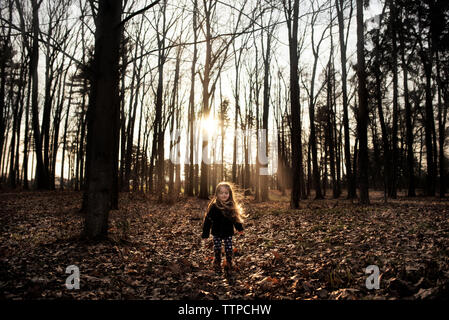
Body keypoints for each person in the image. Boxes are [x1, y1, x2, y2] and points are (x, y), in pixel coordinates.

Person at [201, 182, 246, 274]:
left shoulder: (231, 206)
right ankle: (217, 261)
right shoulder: (214, 207)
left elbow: (235, 220)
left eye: (226, 193)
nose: (224, 195)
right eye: (221, 193)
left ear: (230, 194)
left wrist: (240, 229)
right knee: (217, 247)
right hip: (216, 232)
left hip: (228, 232)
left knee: (228, 247)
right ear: (217, 194)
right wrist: (205, 234)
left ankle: (229, 262)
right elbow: (208, 221)